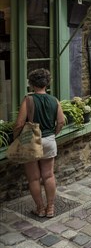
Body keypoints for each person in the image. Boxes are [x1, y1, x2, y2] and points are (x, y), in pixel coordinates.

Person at [13, 69, 65, 218]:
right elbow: (61, 121)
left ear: (31, 84)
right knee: (48, 176)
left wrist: (16, 139)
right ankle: (50, 208)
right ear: (47, 83)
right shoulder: (54, 100)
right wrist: (53, 134)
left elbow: (19, 124)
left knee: (34, 178)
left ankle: (40, 208)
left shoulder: (28, 100)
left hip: (31, 141)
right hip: (49, 140)